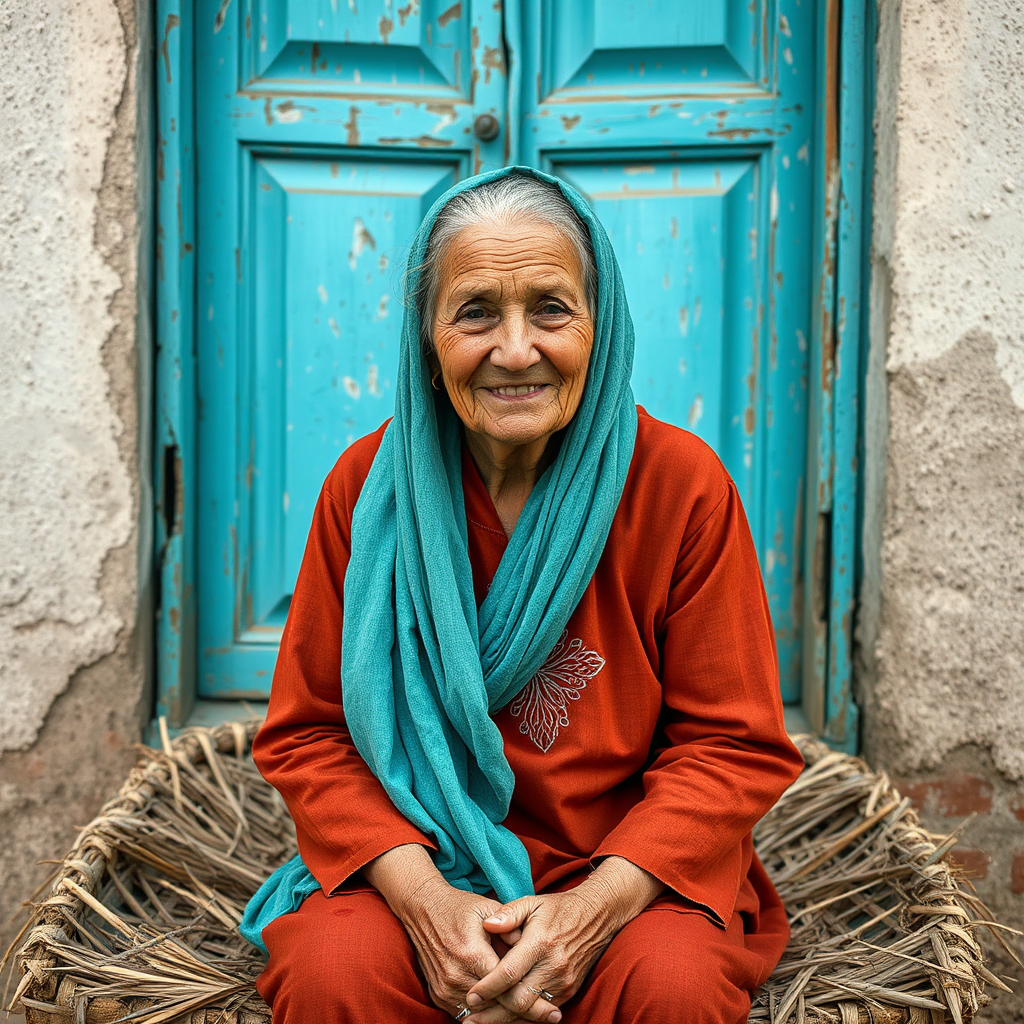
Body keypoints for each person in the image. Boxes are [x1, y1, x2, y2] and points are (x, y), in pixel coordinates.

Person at [239, 166, 804, 1024]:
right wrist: (427, 903)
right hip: (422, 867)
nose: (514, 350)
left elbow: (731, 746)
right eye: (474, 312)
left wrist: (590, 913)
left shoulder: (679, 487)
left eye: (550, 308)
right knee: (335, 972)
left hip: (625, 875)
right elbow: (312, 734)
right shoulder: (367, 489)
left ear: (599, 323)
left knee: (673, 988)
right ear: (426, 338)